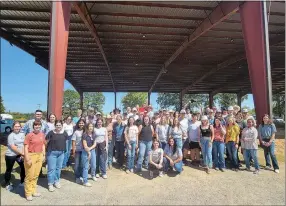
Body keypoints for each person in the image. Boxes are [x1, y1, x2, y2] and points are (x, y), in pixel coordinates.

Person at [23, 120, 46, 201]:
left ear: (41, 126)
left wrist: (43, 155)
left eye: (39, 125)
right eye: (36, 125)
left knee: (36, 175)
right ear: (33, 126)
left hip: (39, 155)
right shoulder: (29, 135)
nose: (37, 127)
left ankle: (33, 191)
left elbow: (43, 144)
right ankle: (28, 193)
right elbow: (25, 147)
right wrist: (27, 158)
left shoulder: (42, 134)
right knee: (30, 175)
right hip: (31, 155)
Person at [46, 120, 68, 192]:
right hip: (52, 153)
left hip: (61, 153)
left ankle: (56, 181)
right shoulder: (51, 133)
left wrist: (65, 151)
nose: (58, 126)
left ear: (62, 125)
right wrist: (45, 151)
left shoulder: (65, 133)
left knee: (58, 168)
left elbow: (66, 142)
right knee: (51, 169)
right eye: (57, 125)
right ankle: (50, 184)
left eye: (60, 125)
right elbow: (46, 142)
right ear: (55, 125)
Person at [4, 122, 25, 191]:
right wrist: (22, 153)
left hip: (19, 155)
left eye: (19, 126)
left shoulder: (22, 134)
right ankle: (7, 183)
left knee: (23, 167)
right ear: (13, 127)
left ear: (20, 127)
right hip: (11, 155)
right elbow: (13, 147)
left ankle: (22, 181)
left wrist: (22, 153)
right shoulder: (11, 136)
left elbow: (24, 144)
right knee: (9, 169)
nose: (17, 128)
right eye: (16, 126)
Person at [71, 119, 85, 184]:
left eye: (82, 123)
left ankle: (81, 175)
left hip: (84, 150)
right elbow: (73, 142)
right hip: (77, 150)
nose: (81, 124)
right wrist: (73, 150)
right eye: (80, 123)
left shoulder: (86, 131)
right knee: (76, 164)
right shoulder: (76, 132)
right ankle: (77, 176)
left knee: (82, 164)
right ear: (78, 124)